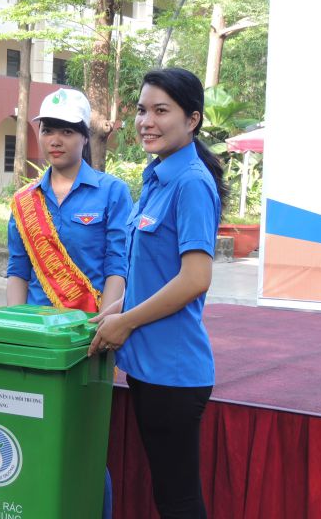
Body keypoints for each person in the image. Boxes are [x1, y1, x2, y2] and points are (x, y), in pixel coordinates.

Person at [88, 68, 227, 518]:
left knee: (179, 498)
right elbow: (151, 271)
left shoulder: (190, 183)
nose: (146, 120)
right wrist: (115, 308)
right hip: (150, 369)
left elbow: (194, 278)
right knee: (169, 496)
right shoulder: (158, 177)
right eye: (143, 110)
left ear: (192, 120)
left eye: (161, 111)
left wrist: (125, 323)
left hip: (175, 372)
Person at [6, 88, 132, 519]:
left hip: (88, 337)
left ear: (83, 137)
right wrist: (15, 329)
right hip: (38, 339)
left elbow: (119, 263)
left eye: (65, 130)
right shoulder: (26, 201)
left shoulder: (112, 192)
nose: (54, 139)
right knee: (31, 433)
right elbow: (18, 270)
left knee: (85, 444)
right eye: (47, 130)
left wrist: (109, 320)